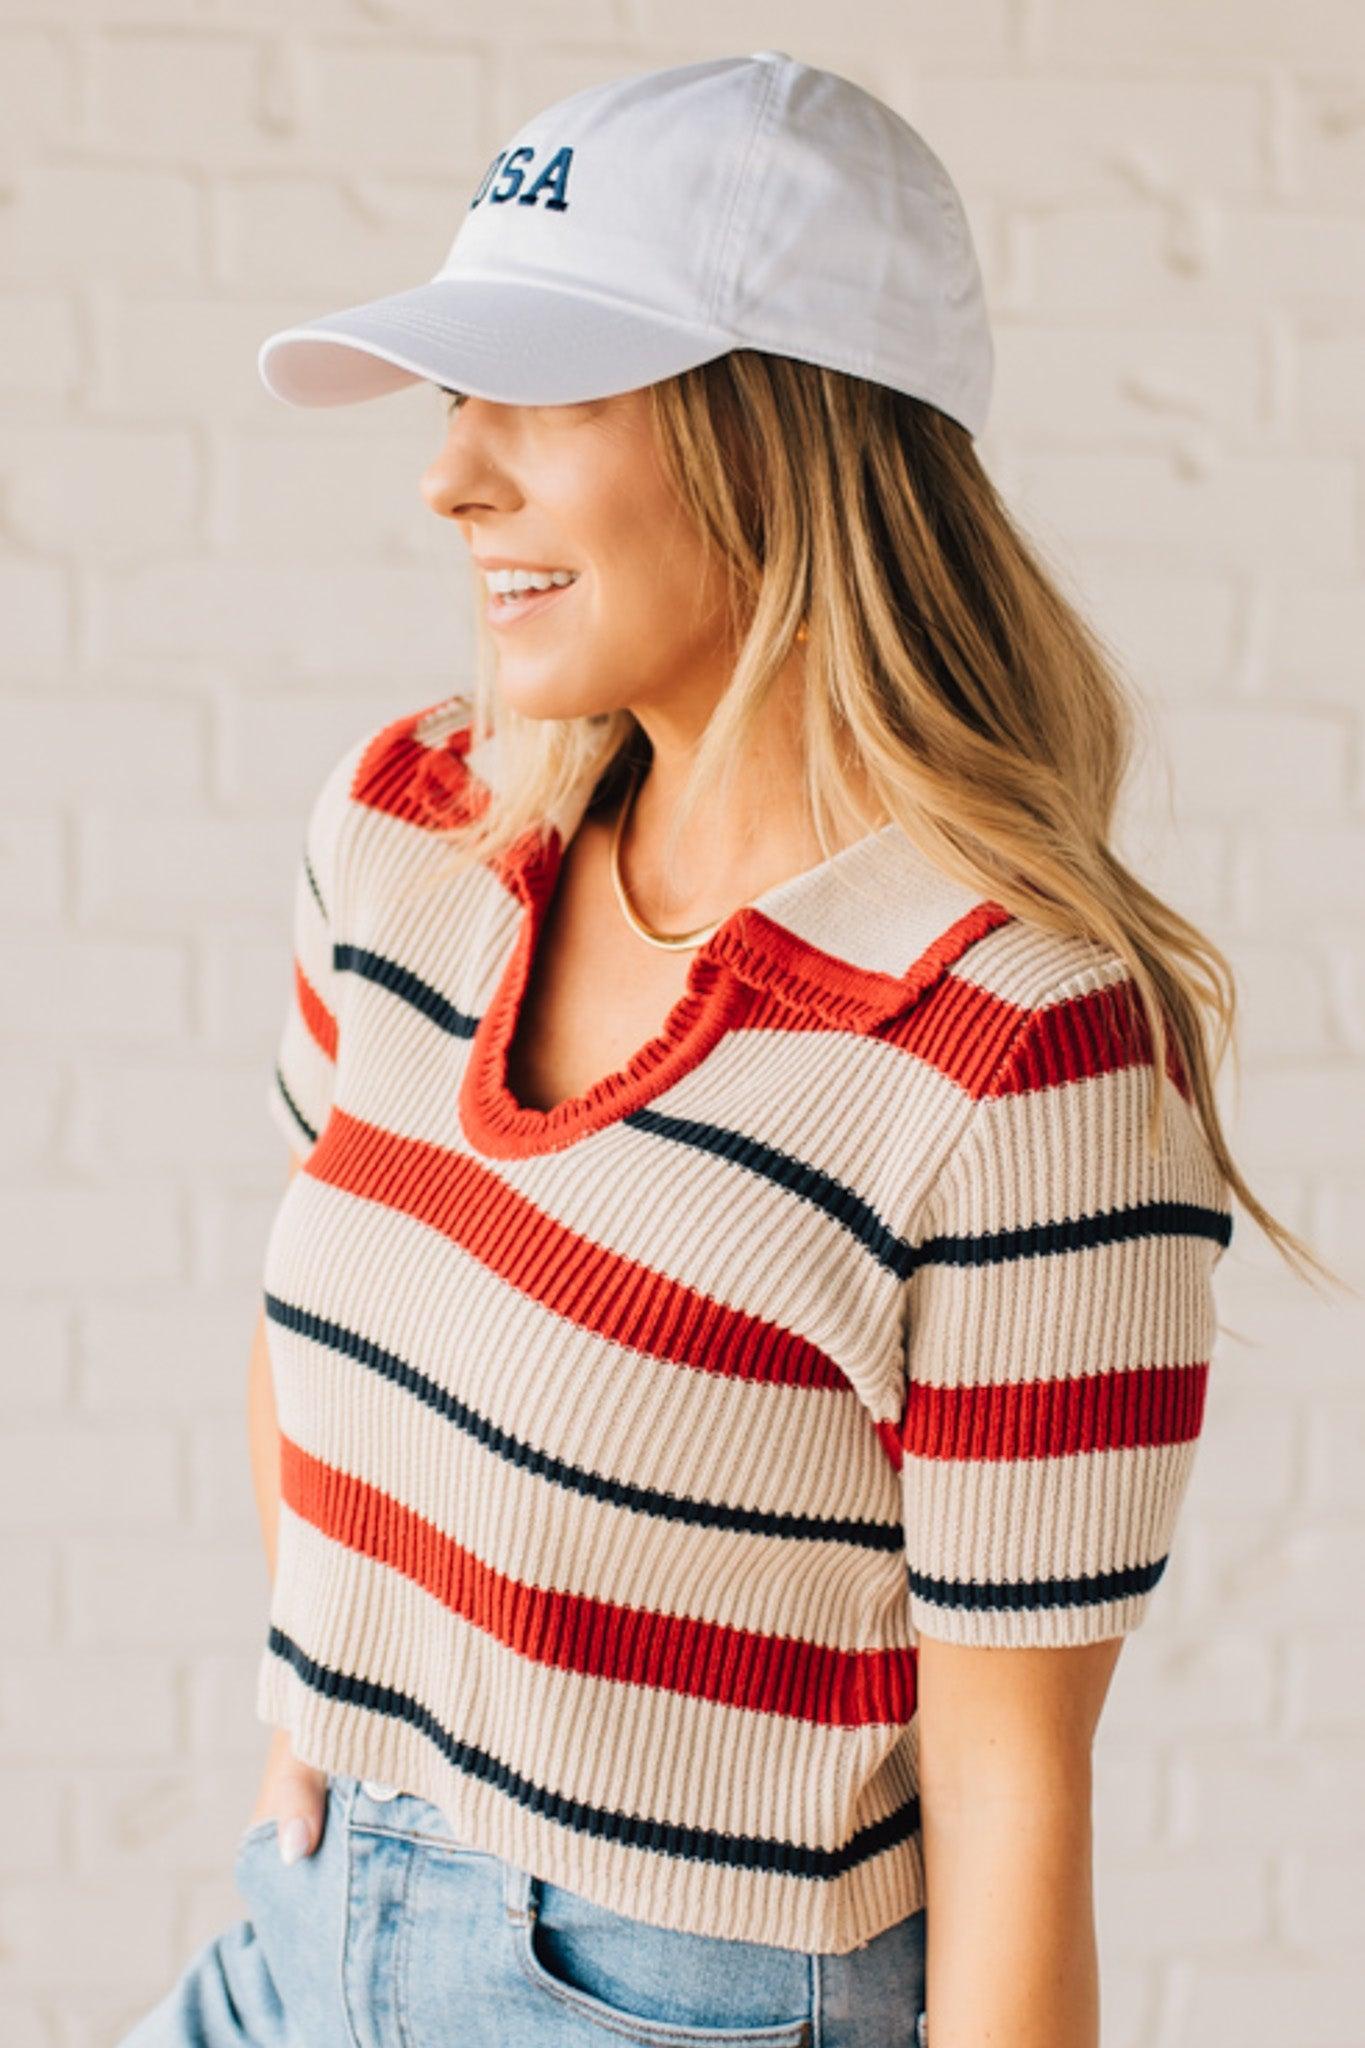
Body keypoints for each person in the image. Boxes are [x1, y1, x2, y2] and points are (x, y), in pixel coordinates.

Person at [116, 48, 1328, 2048]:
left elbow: (1014, 1800)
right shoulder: (407, 829)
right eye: (452, 390)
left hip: (664, 2003)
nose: (449, 473)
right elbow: (316, 1321)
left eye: (546, 389)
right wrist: (323, 1731)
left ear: (786, 435)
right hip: (308, 1927)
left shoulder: (1014, 1052)